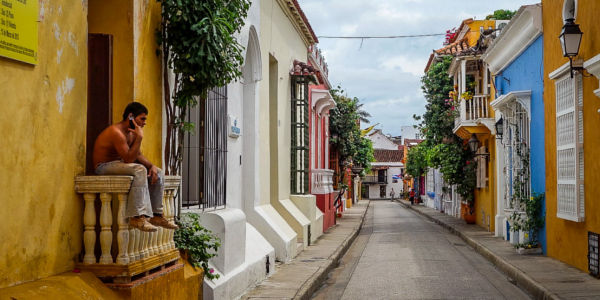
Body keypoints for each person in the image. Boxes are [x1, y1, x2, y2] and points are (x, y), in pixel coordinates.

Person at [93, 102, 178, 232]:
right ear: (131, 116)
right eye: (142, 118)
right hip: (103, 166)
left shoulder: (132, 133)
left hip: (119, 164)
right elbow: (128, 159)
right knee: (139, 170)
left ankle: (157, 215)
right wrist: (140, 138)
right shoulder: (116, 132)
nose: (144, 122)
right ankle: (137, 217)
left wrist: (152, 166)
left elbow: (137, 154)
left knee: (158, 172)